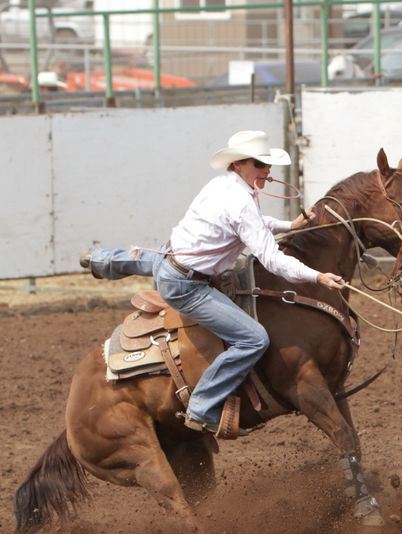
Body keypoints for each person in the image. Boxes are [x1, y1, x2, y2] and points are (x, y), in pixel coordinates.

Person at [82, 129, 345, 434]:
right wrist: (317, 275)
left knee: (154, 261)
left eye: (267, 165)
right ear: (239, 165)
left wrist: (289, 225)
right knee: (253, 339)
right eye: (259, 164)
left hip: (172, 258)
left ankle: (100, 259)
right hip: (187, 286)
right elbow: (271, 258)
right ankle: (202, 405)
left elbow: (253, 225)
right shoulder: (241, 202)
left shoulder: (223, 186)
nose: (266, 171)